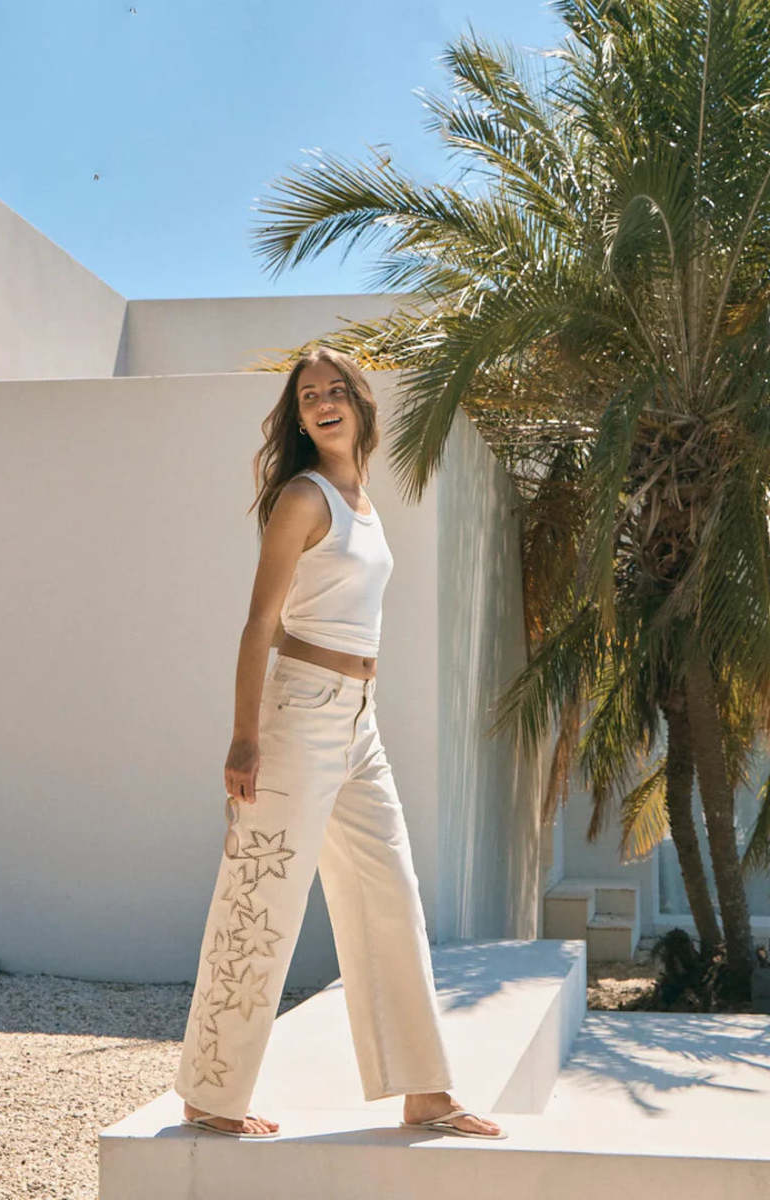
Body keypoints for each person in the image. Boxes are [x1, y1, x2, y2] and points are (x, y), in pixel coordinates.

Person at [174, 347, 505, 1141]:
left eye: (334, 391)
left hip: (359, 719)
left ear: (359, 402)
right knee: (261, 897)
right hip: (297, 713)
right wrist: (244, 737)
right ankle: (210, 1093)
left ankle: (424, 1089)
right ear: (299, 417)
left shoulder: (363, 500)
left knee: (390, 889)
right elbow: (260, 623)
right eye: (307, 397)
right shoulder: (303, 497)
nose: (322, 403)